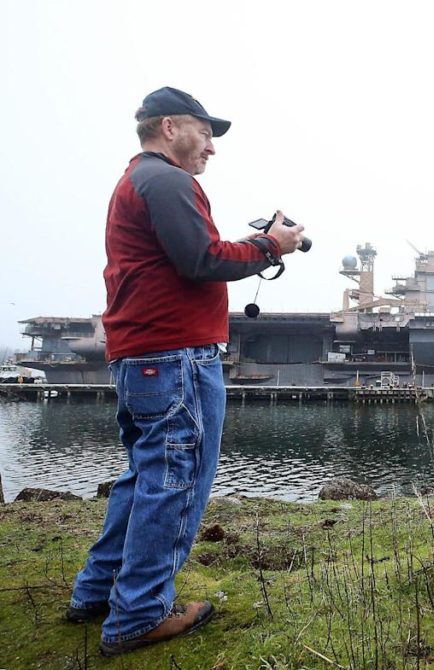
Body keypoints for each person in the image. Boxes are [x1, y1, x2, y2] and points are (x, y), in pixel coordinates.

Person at [65, 86, 306, 656]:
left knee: (146, 479)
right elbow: (200, 260)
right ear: (170, 127)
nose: (212, 148)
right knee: (174, 483)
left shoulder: (139, 180)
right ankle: (140, 615)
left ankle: (97, 592)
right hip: (175, 358)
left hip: (144, 357)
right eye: (206, 132)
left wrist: (254, 245)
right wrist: (272, 247)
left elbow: (192, 252)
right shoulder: (171, 180)